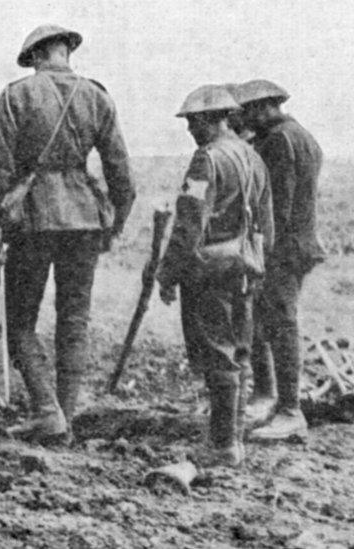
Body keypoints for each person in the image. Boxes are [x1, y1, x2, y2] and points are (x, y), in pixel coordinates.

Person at [0, 24, 135, 444]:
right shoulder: (97, 96)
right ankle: (65, 415)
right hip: (84, 219)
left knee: (19, 320)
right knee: (74, 320)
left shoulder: (16, 96)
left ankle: (48, 411)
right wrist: (114, 224)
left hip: (33, 219)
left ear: (36, 56)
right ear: (65, 51)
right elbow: (122, 174)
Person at [156, 85, 274, 467]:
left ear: (213, 118)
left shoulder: (206, 160)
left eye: (193, 121)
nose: (190, 129)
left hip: (211, 270)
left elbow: (189, 223)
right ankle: (232, 440)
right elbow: (266, 225)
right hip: (245, 267)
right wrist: (256, 263)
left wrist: (168, 273)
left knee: (219, 354)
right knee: (239, 351)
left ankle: (222, 445)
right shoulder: (252, 157)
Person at [235, 80, 327, 440]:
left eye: (247, 112)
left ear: (263, 107)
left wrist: (260, 250)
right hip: (299, 245)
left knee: (281, 325)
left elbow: (276, 208)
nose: (244, 119)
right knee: (271, 322)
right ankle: (276, 401)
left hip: (283, 249)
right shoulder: (301, 135)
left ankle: (290, 410)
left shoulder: (277, 142)